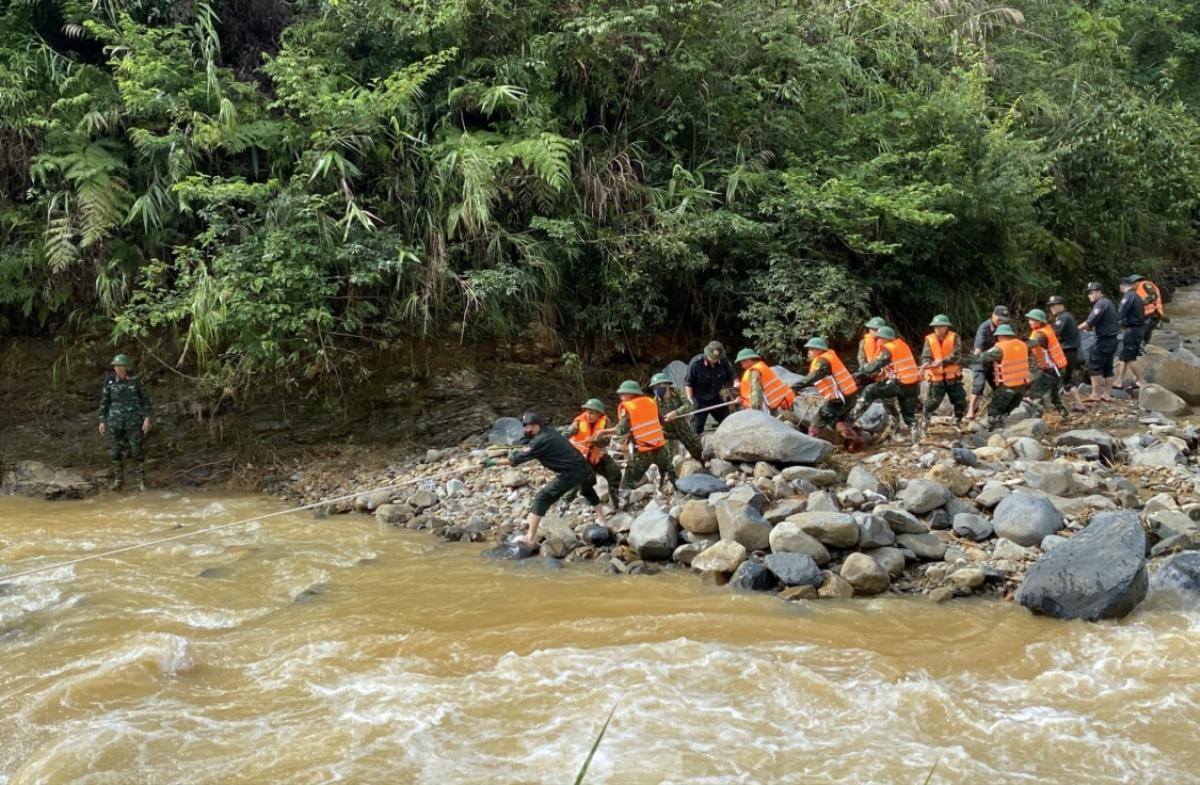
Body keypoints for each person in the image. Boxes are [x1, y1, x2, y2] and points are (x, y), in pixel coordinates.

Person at [483, 412, 607, 546]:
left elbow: (515, 459)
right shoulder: (548, 431)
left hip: (571, 473)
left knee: (541, 499)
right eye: (524, 426)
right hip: (584, 467)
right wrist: (526, 444)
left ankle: (529, 538)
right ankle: (602, 519)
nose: (525, 429)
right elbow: (531, 442)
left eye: (528, 427)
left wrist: (492, 463)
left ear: (536, 426)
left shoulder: (540, 441)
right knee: (587, 490)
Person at [604, 379, 675, 503]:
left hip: (643, 451)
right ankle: (677, 490)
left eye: (623, 394)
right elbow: (661, 421)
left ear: (632, 394)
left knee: (629, 478)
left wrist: (603, 432)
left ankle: (622, 502)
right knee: (669, 471)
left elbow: (621, 430)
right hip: (659, 447)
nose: (621, 397)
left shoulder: (629, 407)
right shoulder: (651, 402)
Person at [789, 337, 865, 451]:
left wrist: (793, 388)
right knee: (837, 421)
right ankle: (854, 442)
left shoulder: (823, 362)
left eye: (811, 349)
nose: (808, 352)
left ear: (820, 350)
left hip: (839, 399)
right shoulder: (829, 358)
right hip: (849, 396)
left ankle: (809, 447)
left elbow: (812, 377)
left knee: (817, 420)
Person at [97, 353, 152, 491]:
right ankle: (118, 480)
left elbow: (145, 401)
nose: (118, 368)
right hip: (115, 422)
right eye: (116, 366)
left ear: (126, 367)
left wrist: (147, 418)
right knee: (115, 452)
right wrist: (102, 420)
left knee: (137, 451)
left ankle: (141, 482)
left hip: (133, 422)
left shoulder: (135, 381)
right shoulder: (110, 382)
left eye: (121, 366)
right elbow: (104, 403)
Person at [854, 326, 921, 432]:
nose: (878, 341)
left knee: (870, 390)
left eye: (879, 338)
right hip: (914, 385)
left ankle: (854, 416)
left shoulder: (889, 348)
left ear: (886, 339)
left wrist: (857, 375)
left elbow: (876, 364)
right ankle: (916, 437)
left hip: (901, 384)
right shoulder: (902, 345)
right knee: (908, 416)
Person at [560, 399, 623, 509]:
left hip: (597, 457)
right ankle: (565, 502)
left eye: (592, 413)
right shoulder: (579, 422)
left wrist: (594, 441)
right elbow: (567, 433)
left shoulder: (606, 422)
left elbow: (607, 441)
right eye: (588, 412)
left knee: (615, 474)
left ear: (599, 414)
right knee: (577, 480)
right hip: (581, 458)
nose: (589, 415)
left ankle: (615, 502)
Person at [973, 324, 1034, 431]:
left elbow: (982, 358)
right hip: (1022, 386)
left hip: (1007, 386)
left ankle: (996, 431)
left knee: (994, 410)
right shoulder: (1022, 345)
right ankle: (1006, 427)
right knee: (1008, 410)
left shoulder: (999, 348)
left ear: (1000, 336)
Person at [920, 314, 966, 426]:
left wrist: (942, 361)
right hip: (936, 377)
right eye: (936, 327)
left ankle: (957, 421)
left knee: (960, 401)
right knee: (932, 402)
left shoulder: (954, 337)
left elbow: (957, 355)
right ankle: (924, 420)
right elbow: (926, 355)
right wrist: (926, 363)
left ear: (946, 327)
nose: (938, 329)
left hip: (953, 377)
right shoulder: (929, 339)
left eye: (940, 326)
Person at [966, 305, 1010, 421]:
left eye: (1003, 320)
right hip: (980, 361)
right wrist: (978, 357)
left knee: (999, 386)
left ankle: (999, 411)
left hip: (993, 362)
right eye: (999, 319)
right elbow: (978, 348)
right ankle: (970, 411)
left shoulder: (1004, 328)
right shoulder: (984, 328)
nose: (1001, 322)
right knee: (979, 385)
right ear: (993, 315)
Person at [1024, 309, 1069, 419]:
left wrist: (1015, 347)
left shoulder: (1041, 335)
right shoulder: (1045, 330)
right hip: (1058, 367)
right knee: (1054, 395)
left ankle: (1037, 419)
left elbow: (1030, 345)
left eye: (1032, 320)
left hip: (1052, 369)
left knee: (1035, 393)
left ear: (1039, 322)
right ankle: (1064, 414)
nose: (1029, 321)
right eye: (1029, 319)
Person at [685, 341, 737, 434]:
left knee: (728, 422)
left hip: (716, 398)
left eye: (717, 358)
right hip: (700, 400)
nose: (715, 360)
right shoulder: (696, 363)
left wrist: (736, 382)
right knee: (696, 428)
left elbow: (732, 374)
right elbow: (689, 383)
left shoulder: (724, 361)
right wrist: (690, 399)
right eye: (713, 358)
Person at [1079, 281, 1119, 402]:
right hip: (1112, 339)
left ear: (1098, 292)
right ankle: (1106, 394)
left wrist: (1074, 329)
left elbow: (1090, 321)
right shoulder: (1108, 303)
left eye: (1091, 293)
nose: (1089, 295)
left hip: (1103, 340)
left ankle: (1095, 394)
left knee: (1095, 365)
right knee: (1108, 367)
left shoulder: (1101, 304)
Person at [1046, 295, 1087, 413]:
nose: (1051, 308)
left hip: (1067, 352)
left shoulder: (1063, 318)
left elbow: (1054, 333)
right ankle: (1079, 404)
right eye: (1050, 306)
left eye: (1054, 305)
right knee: (1067, 379)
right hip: (1072, 351)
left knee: (1052, 375)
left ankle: (1043, 402)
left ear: (1061, 305)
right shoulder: (1066, 316)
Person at [649, 372, 703, 461]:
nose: (656, 389)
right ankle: (669, 474)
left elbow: (689, 405)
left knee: (698, 451)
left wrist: (676, 412)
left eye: (659, 385)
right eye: (654, 387)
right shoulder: (654, 402)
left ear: (667, 385)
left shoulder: (676, 392)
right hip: (666, 433)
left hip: (683, 428)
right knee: (666, 458)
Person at [735, 348, 796, 416]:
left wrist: (756, 412)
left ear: (748, 360)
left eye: (741, 362)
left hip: (778, 407)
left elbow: (756, 393)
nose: (741, 364)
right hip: (784, 402)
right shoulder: (761, 367)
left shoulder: (755, 371)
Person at [1115, 276, 1146, 392]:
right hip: (1136, 329)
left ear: (1122, 286)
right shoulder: (1136, 296)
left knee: (1129, 358)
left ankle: (1141, 380)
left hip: (1133, 330)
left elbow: (1120, 313)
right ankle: (1119, 381)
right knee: (1123, 356)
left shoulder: (1128, 296)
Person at [1131, 275, 1164, 347]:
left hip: (1153, 313)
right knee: (1145, 333)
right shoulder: (1137, 290)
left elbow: (1153, 296)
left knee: (1141, 332)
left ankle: (1139, 349)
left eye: (1131, 285)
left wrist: (1141, 302)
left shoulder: (1145, 284)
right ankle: (1144, 348)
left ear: (1135, 282)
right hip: (1148, 314)